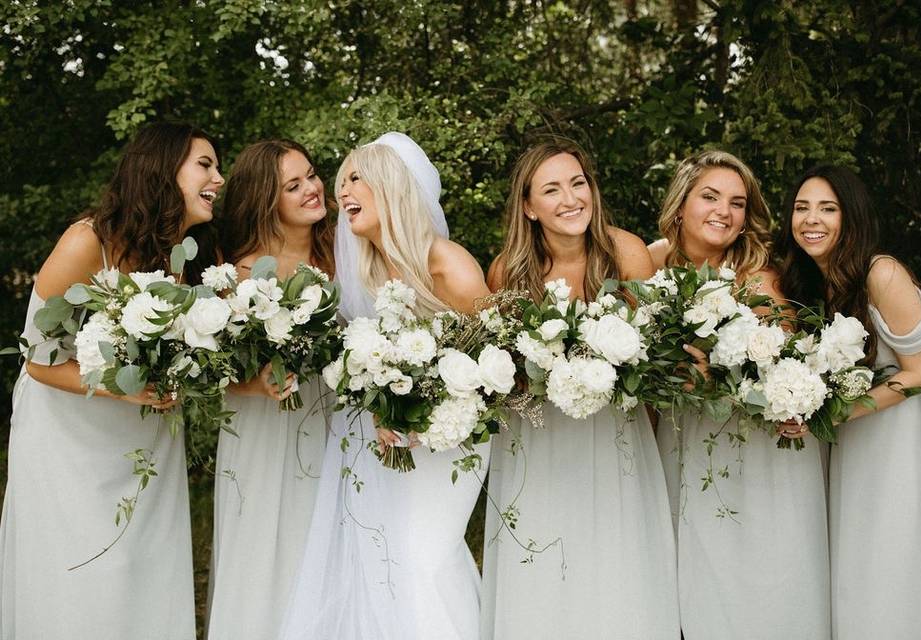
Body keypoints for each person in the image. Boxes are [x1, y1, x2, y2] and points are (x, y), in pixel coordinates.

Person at [0, 121, 223, 639]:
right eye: (205, 164)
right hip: (69, 436)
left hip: (141, 436)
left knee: (138, 565)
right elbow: (36, 359)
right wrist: (122, 385)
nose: (219, 177)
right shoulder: (87, 242)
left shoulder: (181, 257)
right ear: (162, 169)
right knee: (77, 568)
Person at [281, 132, 491, 640]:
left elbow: (499, 366)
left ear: (391, 186)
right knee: (379, 559)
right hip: (377, 440)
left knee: (424, 558)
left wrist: (429, 420)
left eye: (355, 179)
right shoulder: (365, 268)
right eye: (341, 182)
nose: (341, 193)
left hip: (451, 438)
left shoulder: (447, 263)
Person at [481, 138, 680, 639]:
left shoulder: (625, 253)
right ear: (528, 207)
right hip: (541, 440)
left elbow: (654, 357)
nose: (571, 199)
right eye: (552, 190)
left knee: (614, 552)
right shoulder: (508, 271)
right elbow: (504, 376)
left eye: (578, 183)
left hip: (614, 434)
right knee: (544, 552)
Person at [648, 150, 830, 639]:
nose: (723, 212)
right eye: (710, 197)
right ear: (681, 203)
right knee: (693, 585)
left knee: (757, 581)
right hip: (680, 443)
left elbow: (783, 379)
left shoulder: (762, 281)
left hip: (754, 453)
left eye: (736, 203)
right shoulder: (649, 268)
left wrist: (717, 378)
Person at [776, 164, 921, 639]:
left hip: (902, 435)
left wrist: (831, 413)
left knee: (897, 558)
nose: (811, 220)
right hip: (857, 439)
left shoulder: (882, 272)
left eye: (827, 209)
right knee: (859, 563)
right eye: (801, 208)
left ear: (850, 217)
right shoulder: (813, 286)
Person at [206, 139, 335, 640]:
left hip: (336, 428)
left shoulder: (344, 256)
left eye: (312, 175)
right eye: (293, 185)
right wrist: (253, 384)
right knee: (263, 547)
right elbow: (210, 370)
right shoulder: (238, 274)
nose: (312, 189)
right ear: (266, 199)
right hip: (263, 434)